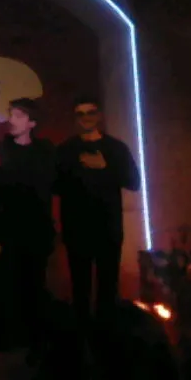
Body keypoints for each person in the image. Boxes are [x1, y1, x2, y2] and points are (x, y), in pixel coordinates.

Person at [56, 95, 140, 330]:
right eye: (80, 114)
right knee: (80, 288)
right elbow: (54, 185)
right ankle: (82, 336)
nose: (86, 118)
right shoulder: (65, 150)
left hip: (108, 227)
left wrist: (105, 167)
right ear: (75, 119)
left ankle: (107, 334)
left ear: (99, 116)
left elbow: (134, 182)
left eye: (90, 112)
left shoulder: (116, 148)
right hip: (76, 228)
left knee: (108, 286)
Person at [0, 98, 57, 352]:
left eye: (18, 115)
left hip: (37, 234)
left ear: (32, 123)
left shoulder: (45, 152)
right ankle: (11, 348)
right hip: (6, 234)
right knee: (8, 292)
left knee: (35, 289)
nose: (11, 120)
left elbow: (49, 184)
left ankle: (36, 347)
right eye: (10, 114)